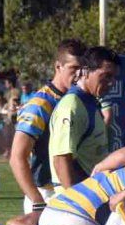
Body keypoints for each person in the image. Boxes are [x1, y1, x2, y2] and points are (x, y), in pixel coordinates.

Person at [10, 38, 85, 214]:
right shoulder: (40, 104)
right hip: (48, 194)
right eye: (73, 69)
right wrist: (37, 200)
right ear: (58, 66)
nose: (79, 75)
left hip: (76, 190)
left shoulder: (79, 100)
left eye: (83, 70)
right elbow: (17, 157)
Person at [49, 46, 119, 190]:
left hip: (92, 193)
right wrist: (76, 201)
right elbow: (61, 159)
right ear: (85, 72)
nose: (111, 82)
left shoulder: (91, 102)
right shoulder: (72, 106)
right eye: (106, 75)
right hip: (79, 199)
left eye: (113, 77)